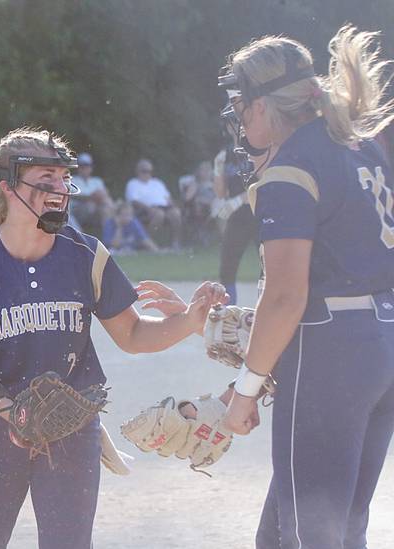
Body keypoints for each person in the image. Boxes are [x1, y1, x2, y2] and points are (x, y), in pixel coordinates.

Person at [0, 128, 226, 549]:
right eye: (45, 179)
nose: (59, 189)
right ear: (8, 186)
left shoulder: (85, 254)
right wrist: (13, 414)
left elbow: (134, 333)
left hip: (72, 429)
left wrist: (191, 322)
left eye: (63, 179)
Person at [218, 26, 394, 549]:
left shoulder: (292, 167)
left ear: (267, 106)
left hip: (331, 346)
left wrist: (245, 390)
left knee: (309, 534)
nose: (238, 115)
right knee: (320, 527)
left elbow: (286, 296)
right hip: (381, 342)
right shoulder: (359, 151)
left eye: (242, 102)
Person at [213, 117, 257, 305]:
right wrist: (217, 170)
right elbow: (221, 192)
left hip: (260, 212)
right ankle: (229, 314)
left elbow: (264, 183)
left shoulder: (258, 149)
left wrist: (239, 199)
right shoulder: (225, 155)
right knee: (227, 268)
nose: (237, 126)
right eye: (233, 122)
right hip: (238, 217)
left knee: (270, 267)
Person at [124, 158, 183, 249]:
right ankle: (147, 243)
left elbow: (168, 198)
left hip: (164, 207)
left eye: (149, 171)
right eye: (144, 171)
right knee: (159, 214)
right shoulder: (133, 183)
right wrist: (149, 209)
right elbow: (133, 201)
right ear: (138, 171)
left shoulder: (157, 183)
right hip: (144, 210)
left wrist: (173, 205)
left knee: (176, 213)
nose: (147, 173)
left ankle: (175, 243)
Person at [70, 152, 115, 237]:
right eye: (82, 166)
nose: (85, 168)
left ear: (91, 167)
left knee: (105, 209)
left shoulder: (97, 181)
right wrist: (92, 197)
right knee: (90, 205)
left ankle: (108, 240)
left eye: (87, 165)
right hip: (78, 211)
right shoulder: (73, 180)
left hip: (96, 210)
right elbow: (75, 196)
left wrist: (96, 198)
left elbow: (104, 195)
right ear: (78, 167)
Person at [178, 160, 217, 246]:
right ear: (198, 171)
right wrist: (194, 187)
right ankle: (202, 233)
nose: (206, 172)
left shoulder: (214, 184)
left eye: (208, 170)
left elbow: (220, 197)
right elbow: (187, 199)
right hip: (198, 210)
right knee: (198, 205)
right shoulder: (194, 183)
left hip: (214, 208)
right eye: (203, 170)